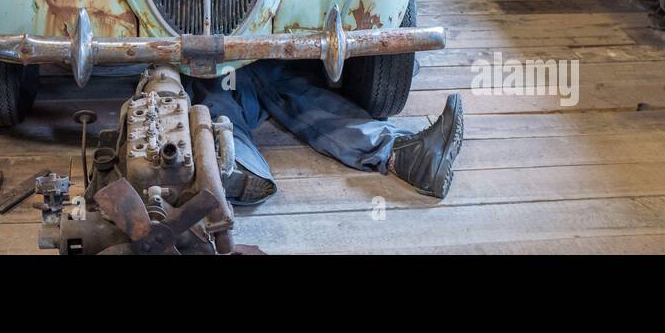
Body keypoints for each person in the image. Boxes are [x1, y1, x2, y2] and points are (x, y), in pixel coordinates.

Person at [191, 61, 465, 206]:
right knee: (217, 95)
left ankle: (405, 156)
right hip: (198, 56)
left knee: (273, 83)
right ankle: (231, 165)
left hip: (253, 44)